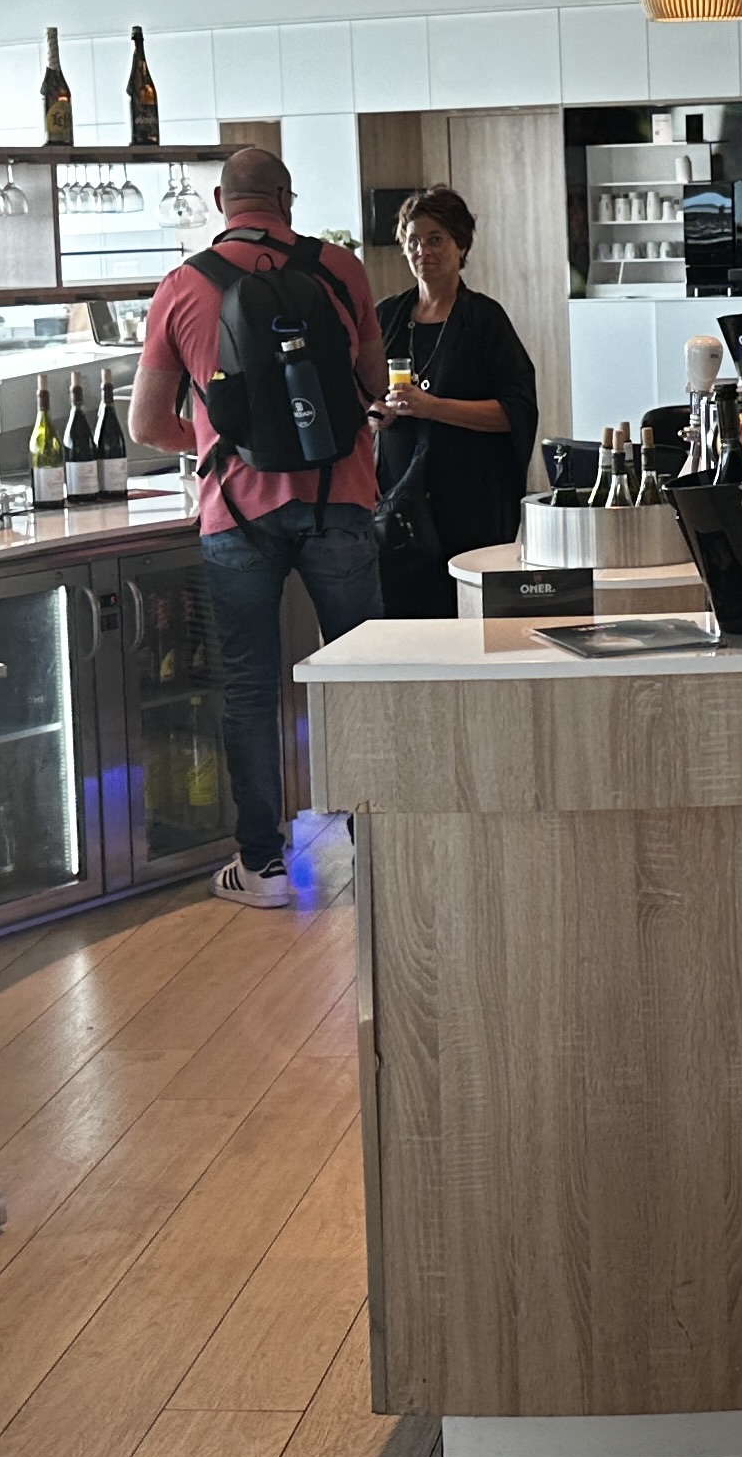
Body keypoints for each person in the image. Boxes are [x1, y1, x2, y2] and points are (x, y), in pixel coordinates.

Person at [131, 146, 387, 909]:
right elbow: (374, 384)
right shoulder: (340, 270)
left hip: (237, 512)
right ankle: (378, 846)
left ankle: (263, 866)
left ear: (220, 201)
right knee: (360, 673)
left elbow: (147, 424)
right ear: (286, 198)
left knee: (249, 685)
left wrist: (219, 443)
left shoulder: (181, 287)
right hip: (340, 496)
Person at [368, 184, 541, 618]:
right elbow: (362, 394)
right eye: (413, 241)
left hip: (469, 499)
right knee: (405, 615)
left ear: (460, 245)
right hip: (399, 501)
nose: (422, 251)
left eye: (435, 239)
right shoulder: (387, 316)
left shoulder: (484, 319)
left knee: (466, 614)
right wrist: (376, 414)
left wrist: (433, 407)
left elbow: (516, 411)